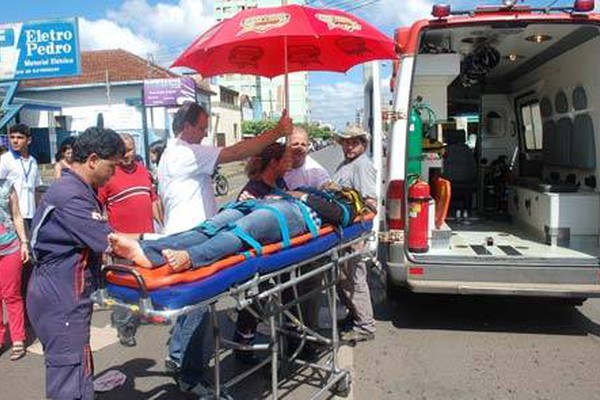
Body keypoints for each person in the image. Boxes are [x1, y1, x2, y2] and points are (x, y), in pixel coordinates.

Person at [156, 101, 292, 394]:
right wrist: (277, 131)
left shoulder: (169, 154)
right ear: (187, 126)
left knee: (184, 306)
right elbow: (235, 153)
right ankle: (191, 377)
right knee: (198, 308)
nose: (205, 134)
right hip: (193, 240)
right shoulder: (186, 152)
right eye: (202, 128)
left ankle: (177, 356)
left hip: (182, 233)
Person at [27, 127, 126, 400]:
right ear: (93, 159)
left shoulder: (78, 189)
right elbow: (111, 242)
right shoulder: (71, 195)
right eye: (112, 166)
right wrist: (152, 254)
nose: (113, 174)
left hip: (62, 290)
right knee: (67, 377)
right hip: (59, 296)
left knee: (78, 366)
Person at [98, 133, 163, 348]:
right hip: (122, 244)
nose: (127, 155)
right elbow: (98, 209)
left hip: (146, 240)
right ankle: (124, 326)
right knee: (125, 286)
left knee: (146, 280)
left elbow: (153, 201)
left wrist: (163, 228)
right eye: (123, 151)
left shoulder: (144, 172)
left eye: (130, 149)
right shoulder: (109, 175)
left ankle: (146, 313)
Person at [332, 124, 378, 343]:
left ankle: (366, 326)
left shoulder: (362, 166)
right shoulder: (346, 163)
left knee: (355, 278)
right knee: (343, 279)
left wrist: (360, 235)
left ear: (363, 144)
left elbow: (370, 204)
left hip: (355, 232)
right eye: (346, 142)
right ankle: (354, 315)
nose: (349, 146)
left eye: (354, 142)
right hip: (345, 231)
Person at [0, 173, 30, 361]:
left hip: (10, 246)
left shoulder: (6, 185)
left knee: (12, 294)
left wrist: (24, 242)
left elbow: (17, 215)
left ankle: (18, 337)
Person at [0, 124, 43, 231]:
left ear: (28, 140)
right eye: (12, 137)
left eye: (19, 138)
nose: (15, 141)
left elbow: (37, 189)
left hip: (31, 215)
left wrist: (39, 213)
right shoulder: (5, 160)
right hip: (11, 217)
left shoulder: (33, 161)